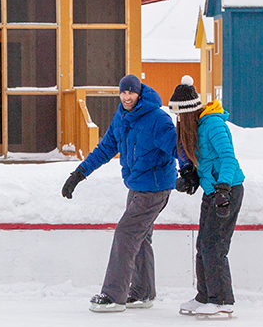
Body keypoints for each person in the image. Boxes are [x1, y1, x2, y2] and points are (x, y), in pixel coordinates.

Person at [62, 74, 177, 313]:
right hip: (137, 186)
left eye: (131, 92)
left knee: (126, 233)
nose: (126, 97)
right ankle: (142, 292)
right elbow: (105, 148)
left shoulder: (157, 119)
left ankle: (113, 295)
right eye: (123, 92)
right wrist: (79, 174)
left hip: (155, 188)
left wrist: (188, 171)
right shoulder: (121, 117)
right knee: (140, 237)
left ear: (139, 93)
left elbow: (179, 148)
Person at [168, 76, 245, 317]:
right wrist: (191, 176)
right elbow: (203, 162)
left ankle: (222, 299)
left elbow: (227, 158)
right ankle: (205, 296)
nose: (179, 119)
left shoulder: (213, 125)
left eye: (181, 115)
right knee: (203, 244)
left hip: (228, 190)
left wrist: (223, 189)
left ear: (190, 112)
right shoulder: (195, 128)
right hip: (212, 191)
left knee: (215, 246)